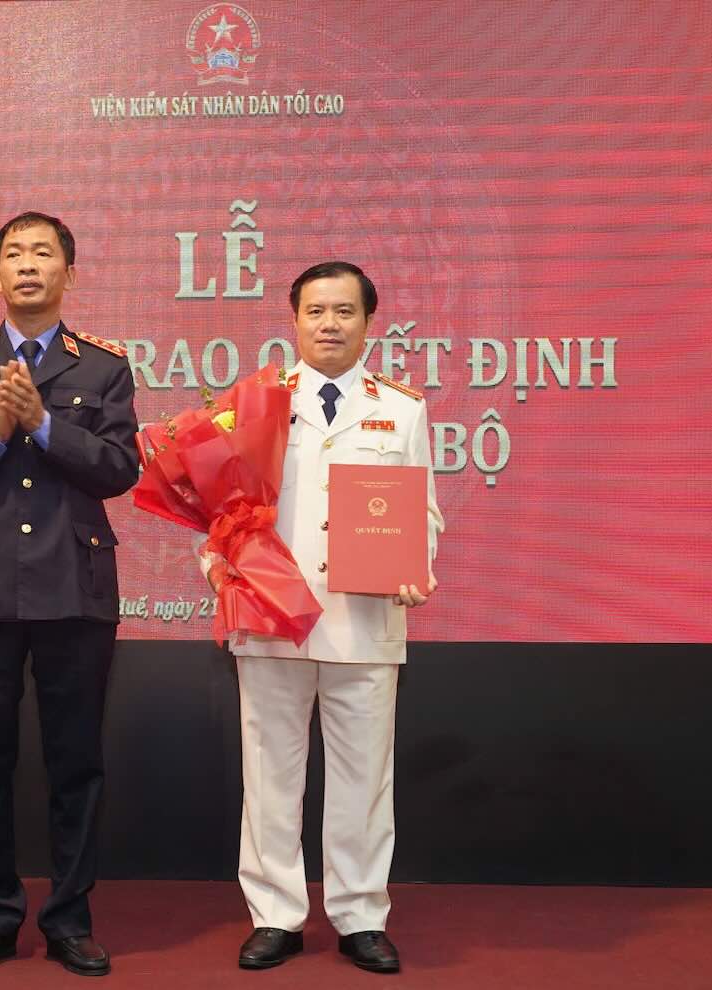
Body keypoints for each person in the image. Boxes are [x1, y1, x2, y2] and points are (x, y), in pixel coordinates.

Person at [0, 212, 139, 977]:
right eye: (13, 254)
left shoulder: (104, 367)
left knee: (76, 763)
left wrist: (44, 425)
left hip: (75, 588)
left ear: (68, 273)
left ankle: (70, 918)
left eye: (43, 253)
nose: (28, 266)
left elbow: (120, 469)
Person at [204, 262, 444, 975]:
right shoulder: (255, 405)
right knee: (271, 776)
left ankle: (361, 915)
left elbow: (421, 509)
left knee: (364, 780)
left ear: (370, 323)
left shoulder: (401, 409)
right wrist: (216, 566)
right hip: (272, 616)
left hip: (365, 619)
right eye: (315, 311)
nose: (329, 324)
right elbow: (219, 505)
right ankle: (275, 915)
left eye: (344, 312)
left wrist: (414, 564)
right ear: (294, 320)